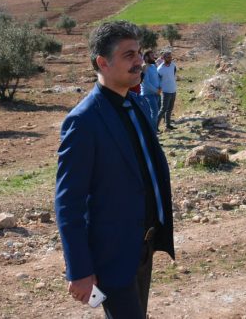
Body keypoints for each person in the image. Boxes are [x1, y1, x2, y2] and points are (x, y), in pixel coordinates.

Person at [55, 20, 174, 318]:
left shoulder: (136, 106)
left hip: (142, 249)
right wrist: (79, 269)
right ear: (102, 62)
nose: (139, 62)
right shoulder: (83, 121)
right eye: (128, 55)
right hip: (112, 256)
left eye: (139, 53)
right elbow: (68, 203)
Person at [140, 50, 162, 130]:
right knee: (154, 113)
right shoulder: (144, 67)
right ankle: (152, 133)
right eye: (151, 55)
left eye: (153, 55)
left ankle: (154, 131)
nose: (153, 57)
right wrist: (156, 90)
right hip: (148, 95)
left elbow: (157, 78)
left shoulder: (154, 66)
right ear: (146, 57)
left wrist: (160, 87)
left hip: (157, 94)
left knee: (156, 113)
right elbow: (145, 82)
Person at [156, 49, 178, 131]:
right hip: (165, 91)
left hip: (173, 89)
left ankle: (168, 125)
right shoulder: (160, 69)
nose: (170, 58)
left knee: (170, 109)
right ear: (164, 58)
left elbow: (174, 73)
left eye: (170, 57)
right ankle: (156, 127)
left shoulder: (173, 65)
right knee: (163, 109)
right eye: (168, 57)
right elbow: (157, 80)